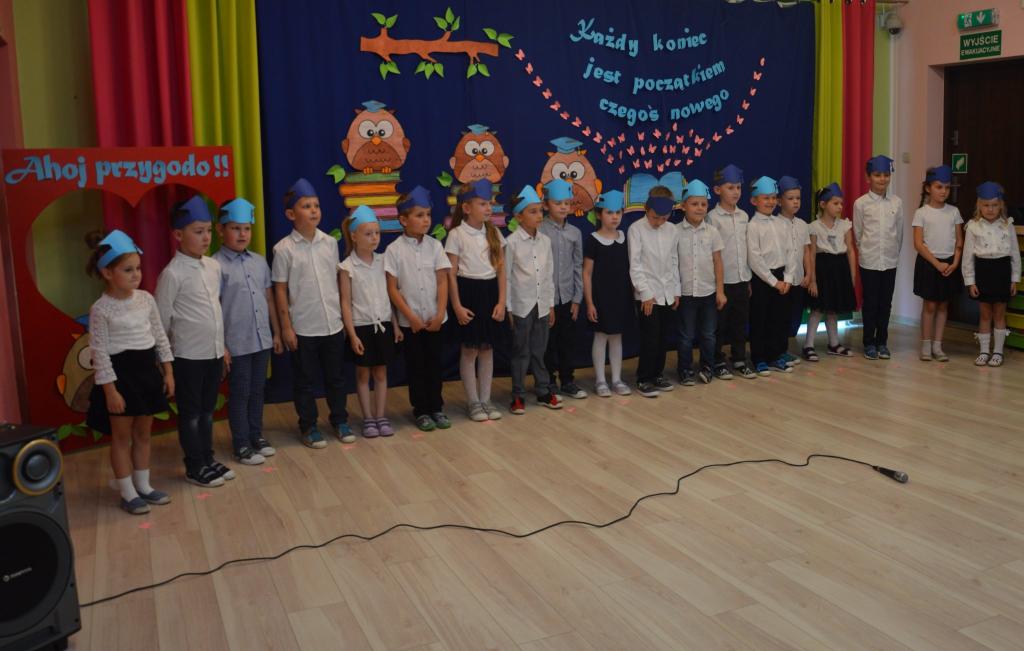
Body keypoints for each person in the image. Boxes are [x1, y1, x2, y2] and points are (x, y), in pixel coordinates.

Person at [85, 230, 174, 514]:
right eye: (128, 270)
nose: (136, 274)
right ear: (107, 273)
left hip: (147, 373)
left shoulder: (146, 299)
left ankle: (143, 485)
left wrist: (168, 372)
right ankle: (127, 492)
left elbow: (160, 336)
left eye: (138, 268)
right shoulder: (101, 309)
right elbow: (99, 353)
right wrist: (110, 391)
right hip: (121, 379)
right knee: (122, 437)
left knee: (144, 433)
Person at [156, 196, 234, 487]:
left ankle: (208, 458)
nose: (206, 237)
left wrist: (222, 346)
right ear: (178, 234)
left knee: (207, 411)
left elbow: (215, 310)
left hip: (212, 353)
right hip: (187, 357)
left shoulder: (213, 267)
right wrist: (165, 363)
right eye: (198, 231)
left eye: (209, 231)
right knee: (190, 414)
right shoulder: (172, 274)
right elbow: (160, 322)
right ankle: (194, 465)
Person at [272, 178, 354, 448]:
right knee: (304, 381)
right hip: (303, 327)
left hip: (332, 324)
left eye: (316, 205)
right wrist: (286, 327)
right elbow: (280, 290)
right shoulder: (283, 249)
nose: (313, 210)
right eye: (306, 206)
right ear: (291, 214)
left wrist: (343, 318)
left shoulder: (329, 243)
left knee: (336, 378)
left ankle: (340, 420)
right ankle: (308, 425)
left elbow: (336, 281)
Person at [213, 198, 281, 465]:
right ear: (221, 230)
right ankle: (241, 443)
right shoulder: (215, 266)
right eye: (235, 228)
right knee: (240, 393)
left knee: (257, 390)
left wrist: (276, 332)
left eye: (246, 229)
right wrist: (222, 345)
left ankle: (256, 435)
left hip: (261, 339)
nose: (242, 234)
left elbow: (269, 299)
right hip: (237, 343)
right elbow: (214, 309)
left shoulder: (259, 262)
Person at [385, 186, 452, 431]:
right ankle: (421, 410)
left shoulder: (435, 246)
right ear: (404, 220)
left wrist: (440, 313)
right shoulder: (394, 250)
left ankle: (436, 407)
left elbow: (442, 280)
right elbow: (392, 288)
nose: (426, 220)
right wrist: (410, 317)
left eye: (428, 215)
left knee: (434, 365)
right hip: (411, 322)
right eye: (419, 215)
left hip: (435, 319)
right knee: (416, 367)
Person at [445, 179, 506, 421]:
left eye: (489, 203)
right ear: (467, 208)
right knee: (470, 350)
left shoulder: (494, 233)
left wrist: (501, 302)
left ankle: (486, 399)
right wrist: (457, 306)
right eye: (482, 204)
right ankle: (473, 402)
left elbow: (501, 270)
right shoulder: (456, 235)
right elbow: (451, 273)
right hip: (467, 294)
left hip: (490, 293)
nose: (488, 208)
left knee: (487, 349)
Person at [340, 205, 402, 438]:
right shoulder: (346, 267)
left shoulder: (384, 261)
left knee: (381, 373)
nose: (374, 238)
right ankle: (367, 417)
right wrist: (352, 334)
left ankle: (381, 415)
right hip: (361, 327)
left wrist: (395, 324)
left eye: (376, 233)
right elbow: (346, 303)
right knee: (363, 374)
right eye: (368, 234)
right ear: (354, 236)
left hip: (383, 325)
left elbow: (389, 295)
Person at [505, 186, 562, 414]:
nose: (539, 215)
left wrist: (550, 304)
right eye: (533, 211)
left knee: (540, 350)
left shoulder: (545, 241)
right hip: (522, 305)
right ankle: (518, 395)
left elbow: (548, 274)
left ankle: (543, 390)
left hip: (542, 304)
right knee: (521, 352)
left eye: (540, 211)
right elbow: (506, 277)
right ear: (519, 216)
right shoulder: (511, 243)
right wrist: (509, 308)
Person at [628, 185, 680, 397]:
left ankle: (658, 374)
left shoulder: (672, 230)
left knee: (663, 337)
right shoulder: (636, 229)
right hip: (647, 295)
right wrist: (646, 294)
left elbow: (674, 261)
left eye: (663, 218)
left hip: (667, 292)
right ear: (646, 209)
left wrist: (676, 290)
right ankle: (644, 377)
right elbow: (635, 265)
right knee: (650, 337)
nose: (658, 222)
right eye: (654, 217)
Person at [962, 181, 1021, 367]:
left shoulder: (1007, 225)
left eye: (994, 205)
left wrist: (1014, 279)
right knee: (985, 314)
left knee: (999, 314)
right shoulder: (973, 226)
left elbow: (1015, 255)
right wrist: (970, 281)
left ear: (1001, 205)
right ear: (979, 205)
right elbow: (967, 257)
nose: (990, 209)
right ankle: (984, 351)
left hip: (1002, 272)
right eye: (986, 205)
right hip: (983, 272)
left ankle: (998, 352)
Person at [539, 176, 587, 399]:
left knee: (567, 341)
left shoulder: (575, 233)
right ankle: (549, 381)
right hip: (546, 299)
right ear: (546, 205)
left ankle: (568, 380)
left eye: (566, 203)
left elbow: (578, 266)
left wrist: (577, 298)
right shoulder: (540, 231)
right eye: (558, 203)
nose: (563, 207)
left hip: (567, 297)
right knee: (547, 342)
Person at [675, 180, 726, 385]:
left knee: (708, 334)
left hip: (708, 293)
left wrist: (720, 291)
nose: (699, 208)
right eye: (694, 204)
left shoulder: (712, 232)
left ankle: (707, 366)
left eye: (703, 204)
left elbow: (718, 262)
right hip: (686, 293)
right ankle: (685, 369)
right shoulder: (675, 232)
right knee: (686, 335)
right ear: (683, 206)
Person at [583, 190, 633, 397]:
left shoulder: (624, 238)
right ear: (599, 214)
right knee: (601, 336)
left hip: (620, 296)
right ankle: (600, 380)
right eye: (609, 212)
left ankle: (617, 379)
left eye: (618, 212)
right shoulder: (593, 240)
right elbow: (586, 273)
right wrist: (590, 302)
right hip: (601, 297)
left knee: (616, 337)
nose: (614, 217)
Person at [853, 155, 904, 360]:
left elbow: (899, 233)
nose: (882, 179)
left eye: (885, 175)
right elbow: (858, 234)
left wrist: (892, 253)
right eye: (877, 175)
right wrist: (866, 251)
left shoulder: (897, 203)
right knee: (871, 303)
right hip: (869, 261)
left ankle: (882, 342)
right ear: (868, 178)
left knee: (885, 303)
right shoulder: (861, 204)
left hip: (890, 261)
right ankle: (869, 342)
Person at [708, 164, 756, 379]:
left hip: (741, 279)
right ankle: (717, 360)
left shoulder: (744, 216)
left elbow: (745, 249)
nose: (736, 192)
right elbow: (711, 253)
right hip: (722, 281)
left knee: (739, 322)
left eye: (738, 187)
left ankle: (739, 358)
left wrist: (747, 278)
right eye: (730, 187)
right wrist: (716, 285)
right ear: (718, 190)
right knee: (719, 324)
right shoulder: (712, 218)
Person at [912, 165, 963, 362]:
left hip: (949, 264)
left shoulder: (954, 212)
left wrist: (954, 263)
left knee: (943, 306)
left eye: (947, 187)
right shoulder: (922, 213)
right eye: (939, 187)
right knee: (930, 306)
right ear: (928, 188)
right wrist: (937, 264)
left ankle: (938, 346)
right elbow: (918, 244)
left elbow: (959, 242)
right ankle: (926, 345)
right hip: (929, 263)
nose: (944, 191)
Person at [746, 176, 795, 375]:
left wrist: (788, 278)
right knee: (760, 319)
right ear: (754, 200)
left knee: (778, 318)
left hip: (782, 276)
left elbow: (790, 251)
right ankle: (759, 358)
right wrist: (774, 282)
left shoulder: (782, 223)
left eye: (774, 198)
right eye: (766, 198)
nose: (771, 202)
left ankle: (775, 355)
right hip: (763, 279)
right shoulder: (753, 226)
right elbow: (754, 258)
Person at [804, 184, 857, 360]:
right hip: (822, 269)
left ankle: (834, 343)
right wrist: (813, 280)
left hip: (839, 269)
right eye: (835, 203)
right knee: (818, 308)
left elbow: (850, 250)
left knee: (833, 308)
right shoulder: (814, 227)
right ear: (823, 204)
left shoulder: (845, 225)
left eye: (841, 203)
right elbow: (811, 253)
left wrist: (852, 275)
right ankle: (808, 345)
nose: (840, 207)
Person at [777, 175, 812, 366]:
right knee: (780, 317)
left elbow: (806, 251)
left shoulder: (802, 225)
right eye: (790, 198)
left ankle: (785, 349)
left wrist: (809, 274)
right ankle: (779, 350)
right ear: (780, 201)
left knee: (793, 316)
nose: (795, 202)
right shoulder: (775, 224)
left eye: (798, 198)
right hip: (783, 281)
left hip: (799, 279)